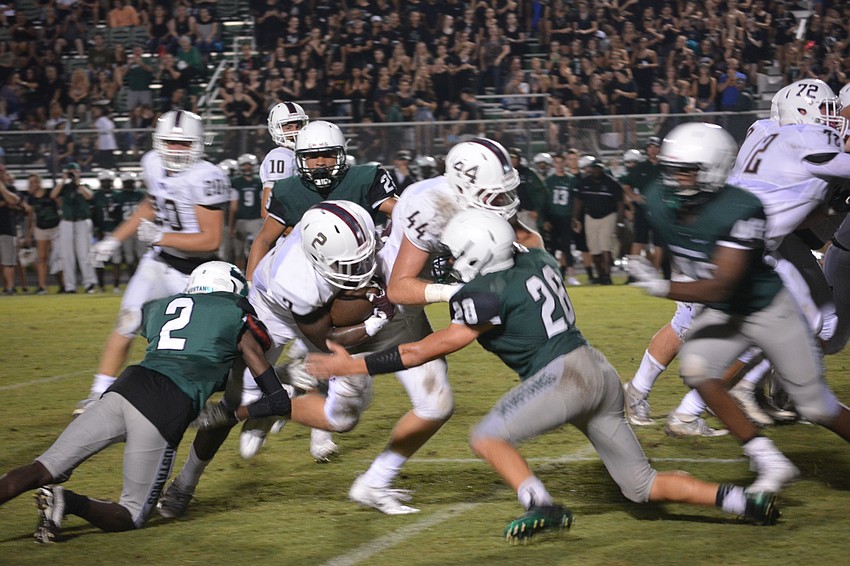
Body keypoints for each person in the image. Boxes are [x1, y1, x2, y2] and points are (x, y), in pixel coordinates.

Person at [306, 209, 781, 542]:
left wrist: (353, 364)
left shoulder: (484, 294)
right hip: (598, 370)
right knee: (641, 486)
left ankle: (541, 504)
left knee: (486, 436)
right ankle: (741, 502)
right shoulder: (537, 257)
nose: (446, 260)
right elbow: (526, 236)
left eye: (454, 252)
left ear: (477, 254)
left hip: (564, 378)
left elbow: (422, 349)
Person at [628, 122, 850, 494]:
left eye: (686, 171)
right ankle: (770, 461)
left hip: (767, 308)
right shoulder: (660, 199)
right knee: (698, 370)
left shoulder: (740, 209)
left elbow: (722, 284)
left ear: (713, 169)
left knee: (816, 406)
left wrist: (660, 285)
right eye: (671, 170)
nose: (675, 180)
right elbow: (651, 219)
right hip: (725, 309)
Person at [0, 261, 291, 543]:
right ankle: (67, 501)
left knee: (42, 468)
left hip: (124, 388)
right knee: (131, 515)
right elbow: (278, 401)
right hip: (165, 405)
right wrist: (233, 414)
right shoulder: (236, 314)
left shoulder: (162, 306)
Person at [158, 201, 394, 516]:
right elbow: (327, 337)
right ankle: (184, 484)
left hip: (317, 303)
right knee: (234, 400)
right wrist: (375, 319)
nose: (363, 270)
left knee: (345, 419)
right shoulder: (296, 280)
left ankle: (280, 392)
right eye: (350, 265)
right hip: (273, 311)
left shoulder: (350, 233)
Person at [78, 110, 231, 416]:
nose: (176, 150)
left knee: (204, 345)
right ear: (158, 141)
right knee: (128, 320)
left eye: (184, 144)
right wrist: (114, 239)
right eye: (170, 142)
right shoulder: (151, 162)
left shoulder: (207, 177)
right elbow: (150, 204)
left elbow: (211, 240)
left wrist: (161, 236)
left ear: (199, 144)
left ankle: (213, 400)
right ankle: (98, 395)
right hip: (159, 262)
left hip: (198, 273)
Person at [571, 157, 624, 285]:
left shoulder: (611, 183)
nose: (596, 171)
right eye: (594, 168)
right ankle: (600, 275)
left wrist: (619, 222)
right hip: (590, 216)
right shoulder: (585, 182)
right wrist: (575, 217)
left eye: (598, 168)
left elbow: (620, 203)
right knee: (594, 248)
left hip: (608, 216)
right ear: (591, 169)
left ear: (602, 169)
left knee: (606, 246)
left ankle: (607, 275)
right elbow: (578, 201)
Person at [51, 162, 97, 294]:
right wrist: (63, 180)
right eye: (70, 171)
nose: (72, 174)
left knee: (84, 253)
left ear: (79, 172)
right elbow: (53, 195)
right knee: (67, 255)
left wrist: (78, 182)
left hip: (82, 221)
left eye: (74, 171)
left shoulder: (84, 185)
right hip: (67, 222)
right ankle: (70, 286)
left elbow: (89, 196)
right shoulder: (64, 187)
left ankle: (89, 283)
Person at [259, 102, 308, 219]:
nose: (295, 131)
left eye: (298, 126)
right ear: (276, 129)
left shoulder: (300, 154)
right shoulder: (280, 156)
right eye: (288, 128)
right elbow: (269, 211)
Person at [542, 152, 580, 285]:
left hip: (566, 216)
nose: (559, 165)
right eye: (556, 162)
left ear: (565, 163)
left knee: (566, 246)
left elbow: (575, 200)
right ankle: (552, 275)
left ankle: (571, 274)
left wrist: (574, 218)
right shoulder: (549, 180)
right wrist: (545, 219)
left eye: (561, 162)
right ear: (553, 164)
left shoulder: (571, 179)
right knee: (552, 247)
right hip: (553, 216)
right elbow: (545, 201)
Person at [24, 173, 62, 294]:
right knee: (42, 258)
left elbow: (60, 206)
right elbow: (31, 217)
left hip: (55, 228)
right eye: (30, 182)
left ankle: (63, 284)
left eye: (34, 181)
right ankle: (42, 286)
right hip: (41, 228)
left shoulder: (50, 193)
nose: (32, 184)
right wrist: (29, 233)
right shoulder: (31, 198)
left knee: (57, 258)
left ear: (39, 182)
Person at [229, 153, 262, 271]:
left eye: (249, 165)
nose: (247, 168)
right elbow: (233, 206)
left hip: (256, 219)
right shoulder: (236, 182)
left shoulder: (259, 181)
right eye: (245, 165)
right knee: (239, 252)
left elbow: (263, 203)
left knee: (257, 250)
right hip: (242, 220)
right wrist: (232, 225)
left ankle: (254, 273)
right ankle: (240, 273)